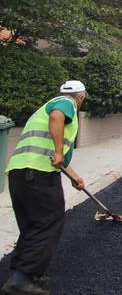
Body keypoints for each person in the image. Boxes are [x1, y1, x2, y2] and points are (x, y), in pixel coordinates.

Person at [2, 81, 87, 295]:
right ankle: (21, 280)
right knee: (49, 223)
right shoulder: (65, 103)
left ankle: (21, 274)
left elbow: (54, 155)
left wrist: (74, 177)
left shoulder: (45, 109)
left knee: (32, 226)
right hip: (38, 175)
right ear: (81, 97)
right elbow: (57, 118)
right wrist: (59, 151)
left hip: (19, 174)